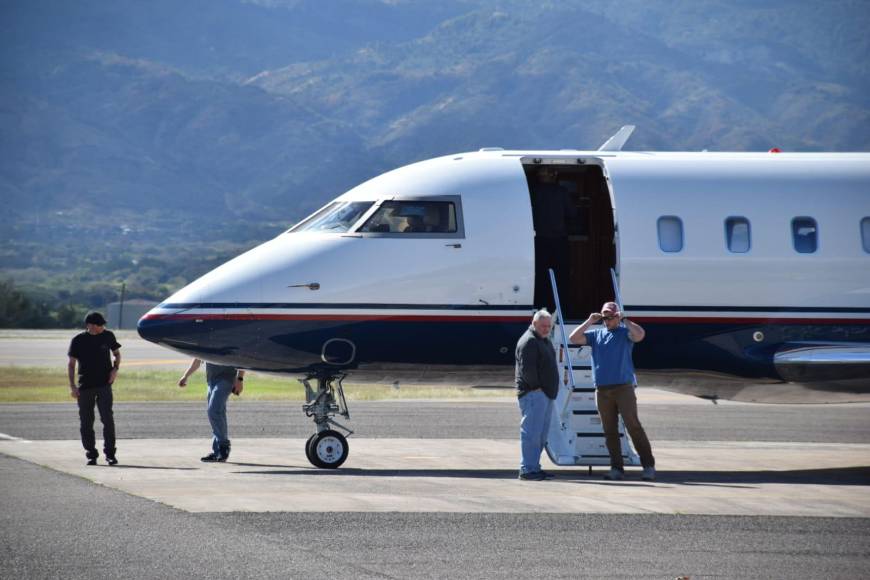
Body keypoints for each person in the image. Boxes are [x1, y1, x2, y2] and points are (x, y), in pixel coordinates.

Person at [569, 302, 656, 481]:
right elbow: (573, 338)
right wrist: (589, 321)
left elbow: (640, 335)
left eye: (610, 317)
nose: (606, 320)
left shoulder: (625, 333)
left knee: (633, 426)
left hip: (623, 388)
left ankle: (648, 465)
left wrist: (626, 320)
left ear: (617, 317)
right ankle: (617, 468)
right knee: (609, 431)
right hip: (602, 390)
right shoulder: (596, 334)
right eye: (604, 317)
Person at [67, 311, 121, 466]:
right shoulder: (78, 340)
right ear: (90, 325)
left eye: (103, 324)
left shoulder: (108, 336)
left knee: (108, 420)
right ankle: (91, 454)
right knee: (86, 422)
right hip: (85, 387)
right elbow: (71, 365)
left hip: (104, 385)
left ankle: (110, 454)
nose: (102, 327)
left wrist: (115, 369)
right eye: (99, 325)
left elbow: (117, 354)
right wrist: (73, 386)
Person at [515, 308, 560, 481]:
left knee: (540, 435)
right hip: (534, 395)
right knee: (532, 434)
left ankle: (534, 467)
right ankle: (527, 469)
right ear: (534, 323)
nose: (546, 329)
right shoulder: (530, 341)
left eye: (549, 326)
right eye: (543, 326)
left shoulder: (543, 340)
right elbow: (527, 369)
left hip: (545, 395)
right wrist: (536, 388)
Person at [178, 359, 244, 462]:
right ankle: (217, 451)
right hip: (211, 381)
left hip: (226, 380)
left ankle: (224, 446)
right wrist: (185, 376)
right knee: (218, 414)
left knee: (213, 411)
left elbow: (241, 359)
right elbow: (198, 359)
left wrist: (239, 379)